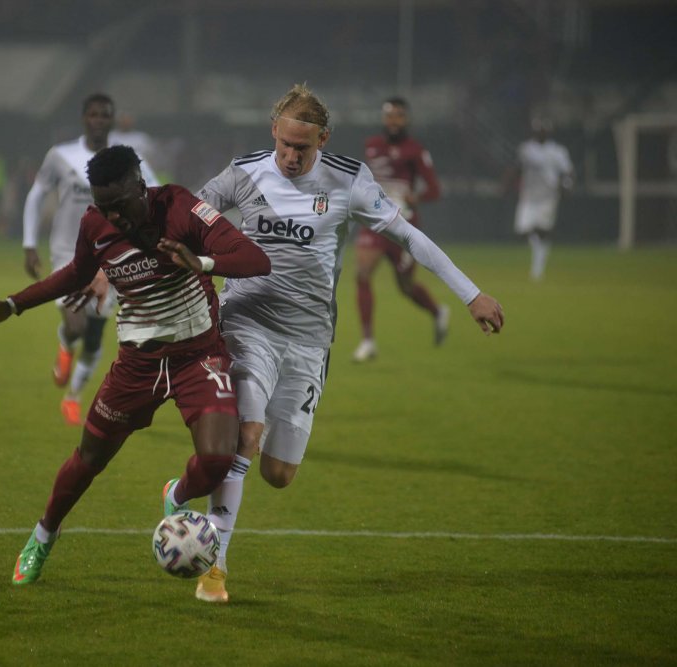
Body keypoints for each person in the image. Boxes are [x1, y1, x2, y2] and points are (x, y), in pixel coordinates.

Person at [195, 83, 505, 603]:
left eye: (304, 147)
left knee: (279, 472)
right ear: (274, 130)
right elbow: (190, 214)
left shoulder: (347, 178)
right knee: (246, 435)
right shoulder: (244, 170)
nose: (292, 157)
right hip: (246, 321)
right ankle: (214, 567)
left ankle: (185, 489)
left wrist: (470, 293)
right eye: (286, 144)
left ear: (324, 138)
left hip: (310, 338)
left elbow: (407, 236)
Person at [0, 145, 271, 586]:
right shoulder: (95, 224)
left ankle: (176, 494)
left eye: (120, 206)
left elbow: (257, 259)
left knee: (218, 460)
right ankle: (44, 534)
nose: (114, 218)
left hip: (198, 355)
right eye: (105, 207)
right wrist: (13, 304)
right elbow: (76, 273)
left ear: (141, 186)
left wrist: (200, 261)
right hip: (137, 365)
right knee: (89, 458)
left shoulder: (180, 207)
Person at [22, 93, 158, 426]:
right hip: (69, 252)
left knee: (96, 336)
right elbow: (37, 194)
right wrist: (29, 243)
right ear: (84, 118)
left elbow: (156, 192)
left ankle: (74, 396)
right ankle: (66, 343)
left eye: (105, 115)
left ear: (112, 120)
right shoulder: (61, 155)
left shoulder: (128, 159)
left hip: (113, 259)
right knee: (76, 323)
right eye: (93, 114)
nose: (99, 120)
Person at [353, 97, 446, 362]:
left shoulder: (415, 150)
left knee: (406, 287)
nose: (393, 121)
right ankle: (367, 341)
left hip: (403, 225)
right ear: (384, 119)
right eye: (389, 116)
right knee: (362, 274)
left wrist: (417, 197)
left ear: (406, 119)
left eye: (399, 116)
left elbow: (434, 189)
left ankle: (437, 312)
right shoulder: (371, 146)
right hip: (374, 222)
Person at [505, 117, 574, 281]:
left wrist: (567, 185)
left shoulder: (557, 151)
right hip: (528, 196)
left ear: (548, 132)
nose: (541, 133)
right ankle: (539, 253)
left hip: (548, 197)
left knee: (542, 230)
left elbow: (567, 172)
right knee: (523, 230)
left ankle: (538, 268)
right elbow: (517, 168)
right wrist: (506, 185)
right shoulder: (527, 149)